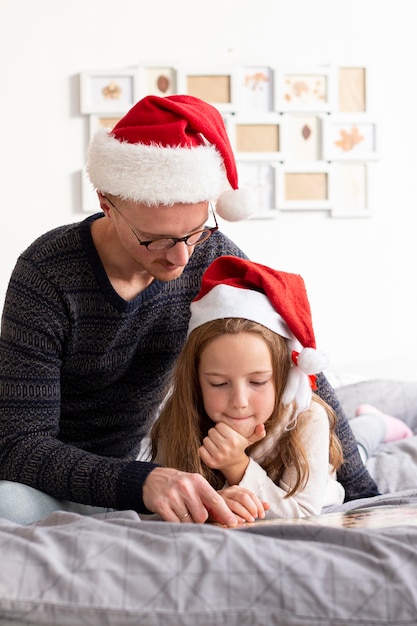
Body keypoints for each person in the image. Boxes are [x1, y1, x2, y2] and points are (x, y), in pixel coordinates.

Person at [0, 94, 378, 526]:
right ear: (107, 201)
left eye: (195, 232)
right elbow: (18, 443)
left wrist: (368, 496)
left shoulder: (209, 254)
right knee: (6, 504)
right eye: (155, 239)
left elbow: (291, 356)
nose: (181, 259)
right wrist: (142, 481)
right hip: (70, 476)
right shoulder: (48, 273)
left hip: (144, 464)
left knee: (330, 462)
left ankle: (373, 428)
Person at [150, 255, 347, 519]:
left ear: (283, 376)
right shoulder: (178, 418)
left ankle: (376, 422)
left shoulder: (307, 418)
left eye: (257, 382)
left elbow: (302, 512)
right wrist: (213, 503)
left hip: (324, 482)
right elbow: (170, 498)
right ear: (195, 381)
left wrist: (237, 466)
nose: (239, 401)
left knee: (368, 439)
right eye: (219, 383)